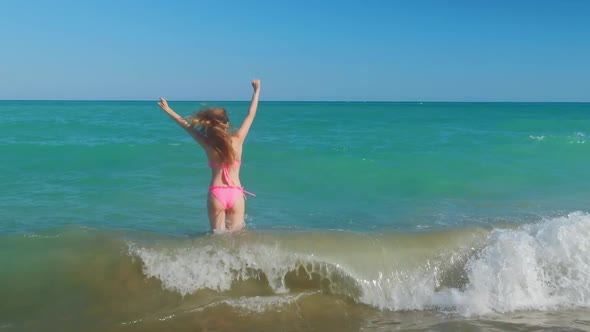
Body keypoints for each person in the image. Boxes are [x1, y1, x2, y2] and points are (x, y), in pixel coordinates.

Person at [157, 80, 261, 232]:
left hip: (216, 194)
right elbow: (250, 115)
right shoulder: (238, 140)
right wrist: (256, 90)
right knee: (238, 237)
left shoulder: (208, 143)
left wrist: (168, 109)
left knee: (217, 238)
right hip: (235, 192)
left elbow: (187, 126)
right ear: (226, 123)